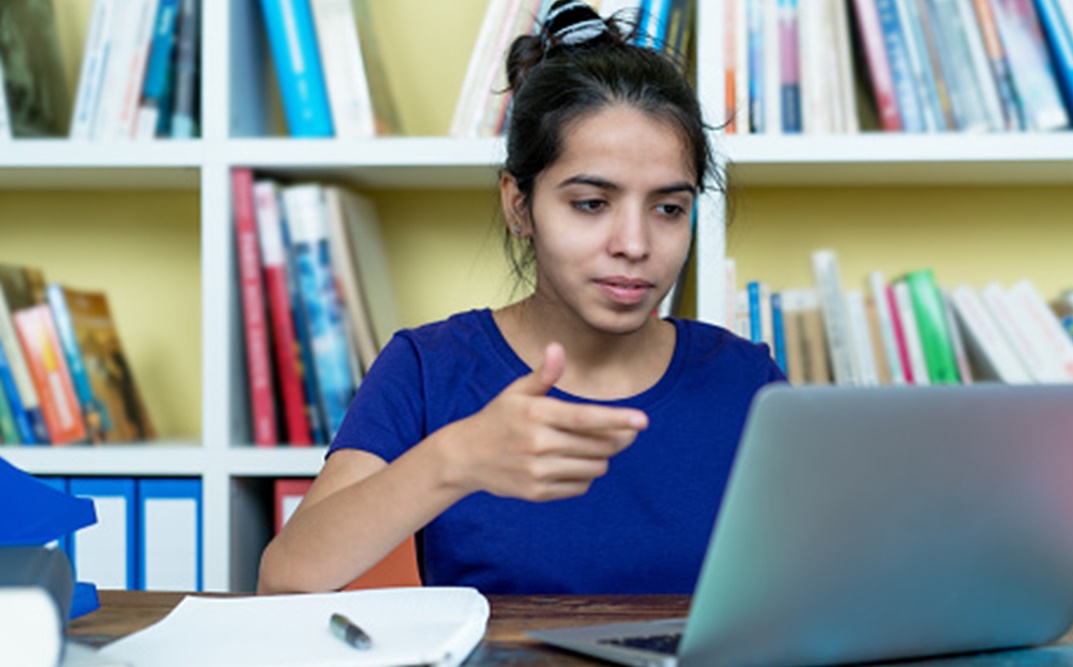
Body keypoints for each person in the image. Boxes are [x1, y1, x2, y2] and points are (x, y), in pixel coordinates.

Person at [257, 0, 785, 596]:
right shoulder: (429, 368)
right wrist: (458, 457)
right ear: (519, 205)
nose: (634, 244)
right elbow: (287, 580)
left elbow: (820, 583)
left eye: (669, 209)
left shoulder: (748, 381)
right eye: (591, 203)